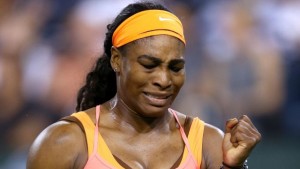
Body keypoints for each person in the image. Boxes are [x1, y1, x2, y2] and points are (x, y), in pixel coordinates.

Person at [27, 1, 261, 169]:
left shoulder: (208, 142)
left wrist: (233, 167)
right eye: (149, 65)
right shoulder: (62, 143)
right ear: (117, 60)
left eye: (175, 67)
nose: (164, 80)